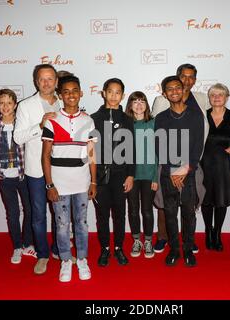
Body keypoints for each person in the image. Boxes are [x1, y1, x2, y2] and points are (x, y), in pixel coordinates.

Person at [41, 75, 97, 282]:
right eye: (66, 91)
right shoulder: (53, 121)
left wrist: (93, 181)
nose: (71, 94)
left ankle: (82, 259)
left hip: (82, 182)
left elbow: (91, 154)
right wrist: (50, 184)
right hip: (59, 184)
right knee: (62, 224)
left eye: (75, 90)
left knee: (81, 223)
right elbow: (45, 155)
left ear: (81, 93)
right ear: (60, 95)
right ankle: (65, 260)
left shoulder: (88, 120)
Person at [151, 63, 209, 254]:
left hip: (189, 170)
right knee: (169, 213)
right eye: (170, 89)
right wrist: (170, 171)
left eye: (178, 87)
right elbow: (160, 146)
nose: (175, 91)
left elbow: (197, 144)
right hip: (168, 172)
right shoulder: (160, 117)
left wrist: (185, 169)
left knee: (189, 212)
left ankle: (188, 247)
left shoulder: (196, 114)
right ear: (165, 94)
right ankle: (174, 249)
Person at [14, 64, 60, 275]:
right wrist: (39, 126)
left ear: (56, 81)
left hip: (61, 169)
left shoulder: (65, 101)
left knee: (61, 214)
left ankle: (60, 249)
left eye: (50, 78)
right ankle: (42, 254)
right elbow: (18, 137)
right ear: (36, 81)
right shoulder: (25, 105)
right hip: (36, 169)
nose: (46, 82)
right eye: (42, 79)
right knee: (39, 215)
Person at [0, 89, 35, 264]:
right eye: (1, 103)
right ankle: (17, 246)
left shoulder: (22, 123)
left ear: (15, 104)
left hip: (24, 175)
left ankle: (28, 243)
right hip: (5, 178)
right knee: (12, 213)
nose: (5, 106)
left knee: (30, 210)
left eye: (9, 103)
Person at [91, 78, 135, 267]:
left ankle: (118, 247)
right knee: (101, 215)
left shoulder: (127, 119)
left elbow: (132, 149)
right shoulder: (93, 118)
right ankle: (104, 249)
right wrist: (91, 179)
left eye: (118, 92)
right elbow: (89, 150)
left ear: (122, 96)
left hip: (120, 174)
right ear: (103, 93)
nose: (114, 96)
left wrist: (131, 174)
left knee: (119, 214)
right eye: (110, 91)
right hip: (99, 175)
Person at [200, 83, 230, 252]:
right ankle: (208, 231)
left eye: (220, 95)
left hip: (224, 165)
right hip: (204, 164)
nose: (216, 97)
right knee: (206, 200)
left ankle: (218, 233)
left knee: (221, 200)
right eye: (213, 95)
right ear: (209, 98)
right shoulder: (202, 115)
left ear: (226, 97)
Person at [125, 91, 158, 258]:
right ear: (130, 105)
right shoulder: (126, 124)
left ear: (147, 104)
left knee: (147, 210)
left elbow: (159, 152)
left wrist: (155, 177)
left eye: (142, 101)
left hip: (149, 174)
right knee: (133, 209)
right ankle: (136, 240)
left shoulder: (154, 123)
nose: (139, 105)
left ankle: (148, 241)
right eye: (135, 101)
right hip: (131, 175)